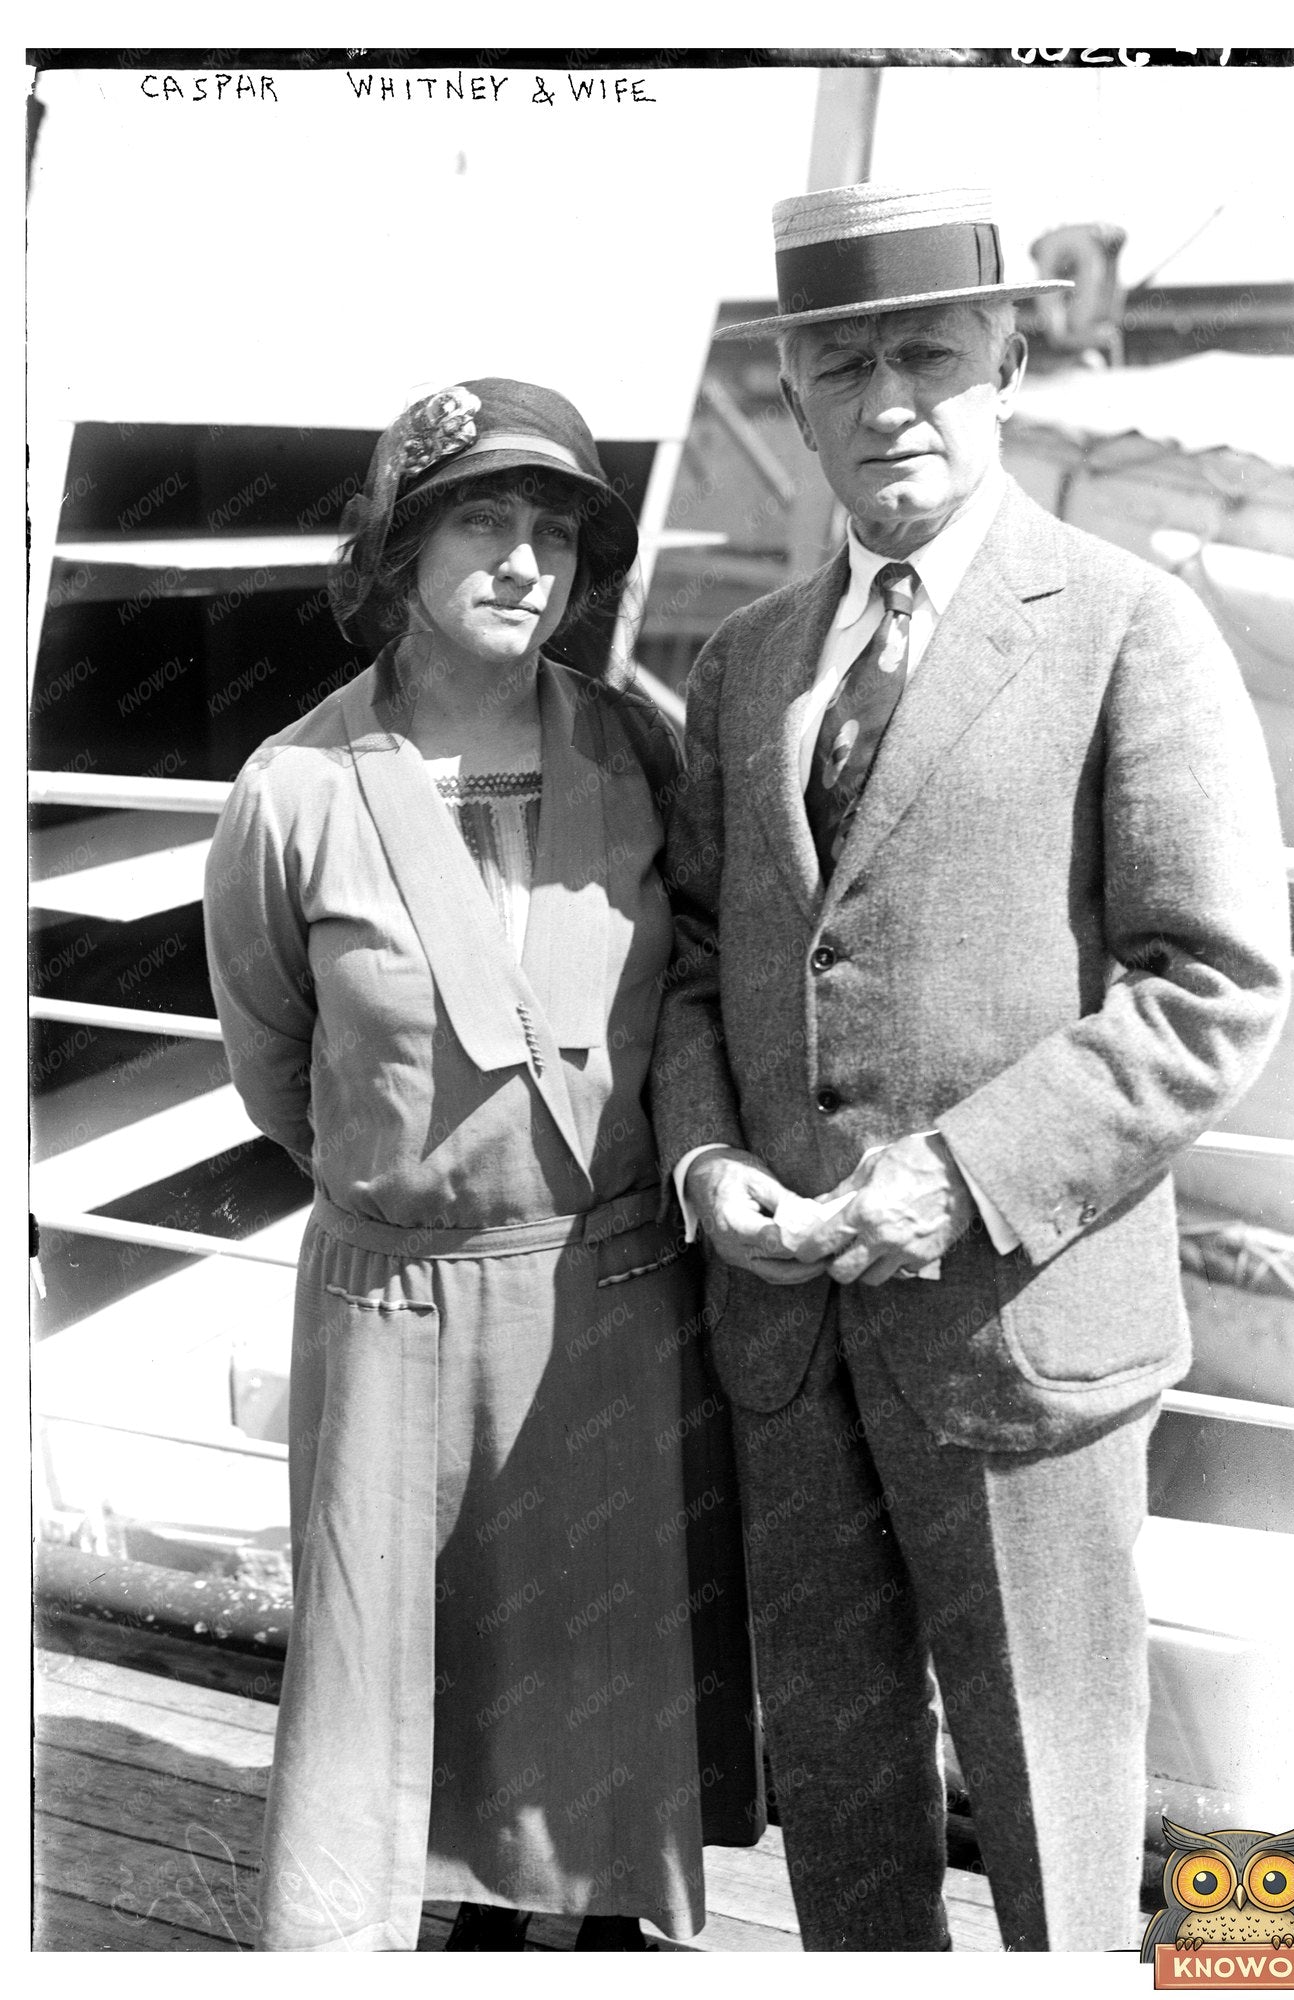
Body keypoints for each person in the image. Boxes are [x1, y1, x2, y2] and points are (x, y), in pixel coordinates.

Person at [652, 185, 1291, 1952]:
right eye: (840, 365)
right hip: (790, 1346)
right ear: (793, 395)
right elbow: (700, 968)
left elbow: (1213, 985)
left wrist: (955, 1174)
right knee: (843, 1822)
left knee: (1058, 1826)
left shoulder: (1124, 625)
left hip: (1020, 1343)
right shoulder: (743, 664)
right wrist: (711, 1175)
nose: (888, 401)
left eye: (927, 353)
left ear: (1005, 362)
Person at [204, 378, 760, 1953]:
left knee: (588, 1706)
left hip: (611, 1302)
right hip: (393, 1308)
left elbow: (702, 977)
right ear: (398, 550)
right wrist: (424, 1193)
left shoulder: (637, 748)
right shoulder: (293, 791)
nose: (525, 563)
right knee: (389, 1701)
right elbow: (275, 1060)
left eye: (553, 534)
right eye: (481, 521)